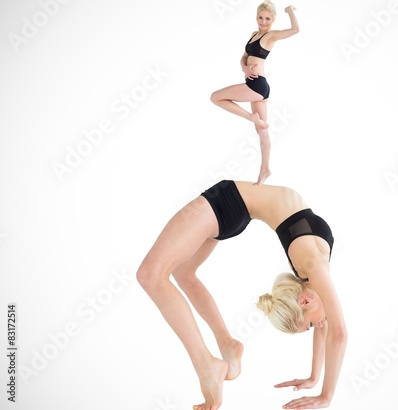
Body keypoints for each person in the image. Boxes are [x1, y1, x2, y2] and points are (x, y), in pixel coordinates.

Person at [137, 180, 347, 410]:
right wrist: (324, 394)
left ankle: (207, 365)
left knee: (150, 275)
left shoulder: (313, 270)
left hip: (229, 203)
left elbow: (327, 328)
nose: (319, 325)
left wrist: (316, 379)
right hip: (232, 205)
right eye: (310, 325)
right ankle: (226, 344)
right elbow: (337, 333)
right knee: (178, 274)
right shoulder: (314, 265)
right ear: (305, 300)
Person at [210, 1, 300, 185]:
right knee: (262, 130)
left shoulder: (271, 36)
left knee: (215, 97)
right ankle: (265, 169)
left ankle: (250, 117)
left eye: (268, 18)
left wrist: (290, 11)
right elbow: (243, 57)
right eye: (261, 17)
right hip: (256, 84)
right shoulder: (254, 35)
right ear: (256, 17)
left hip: (257, 86)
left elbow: (295, 29)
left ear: (273, 20)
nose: (263, 21)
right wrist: (244, 68)